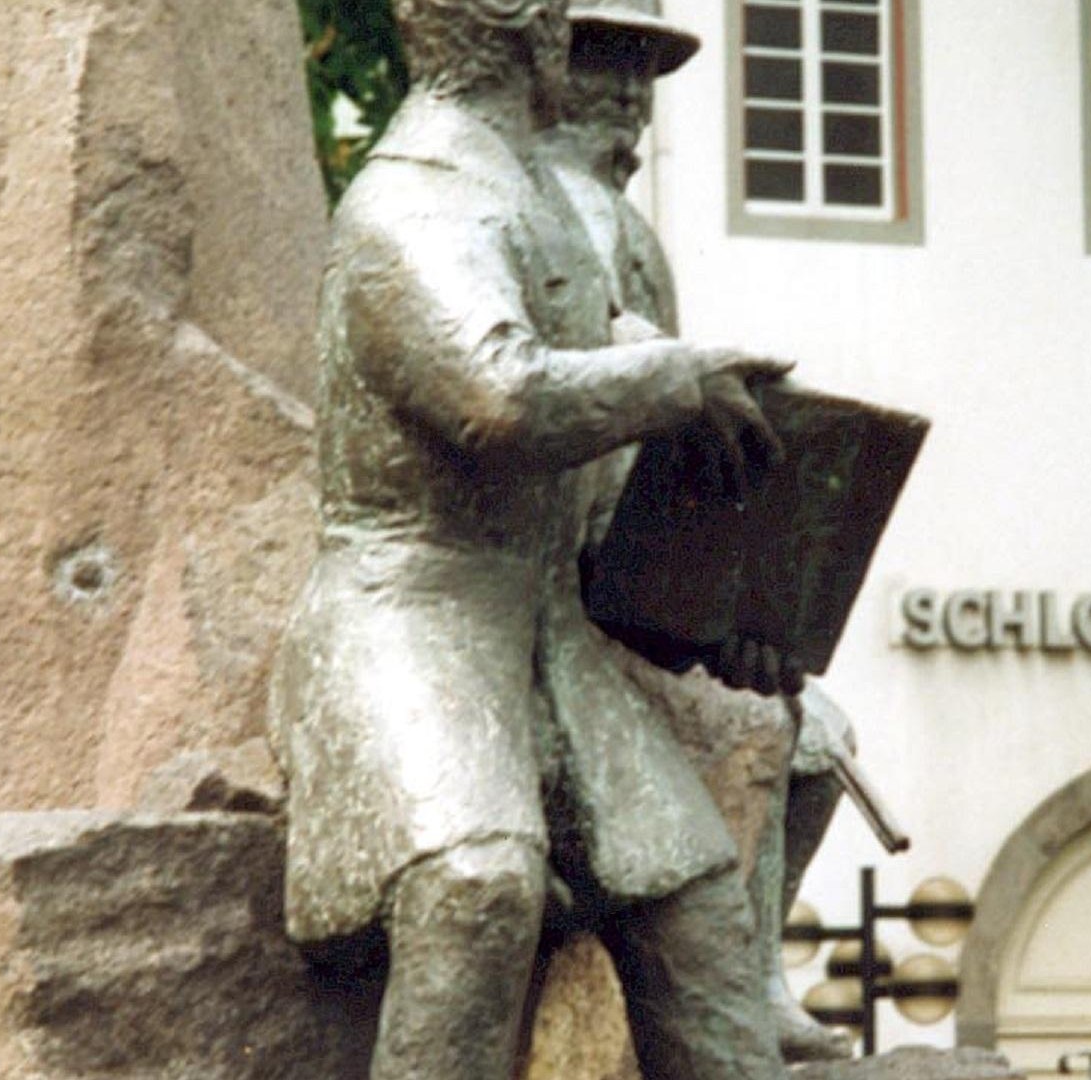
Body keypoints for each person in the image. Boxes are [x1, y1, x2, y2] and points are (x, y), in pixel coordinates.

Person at [266, 1, 795, 1076]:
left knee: (694, 900)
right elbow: (498, 398)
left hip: (546, 631)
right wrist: (673, 378)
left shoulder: (539, 204)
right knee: (478, 886)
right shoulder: (417, 199)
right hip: (412, 611)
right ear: (537, 42)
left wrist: (720, 613)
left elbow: (604, 459)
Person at [537, 1, 857, 1060]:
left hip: (630, 594)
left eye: (642, 83)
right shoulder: (533, 212)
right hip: (543, 602)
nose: (629, 108)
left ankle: (761, 970)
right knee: (769, 727)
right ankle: (740, 987)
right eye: (604, 76)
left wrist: (725, 607)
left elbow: (666, 468)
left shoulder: (627, 232)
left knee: (813, 729)